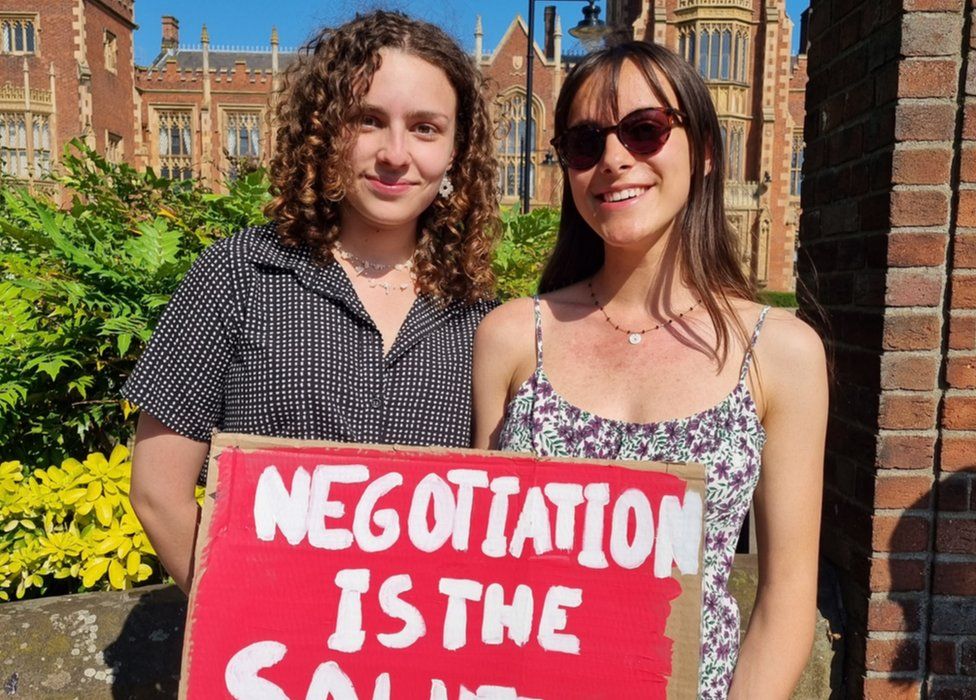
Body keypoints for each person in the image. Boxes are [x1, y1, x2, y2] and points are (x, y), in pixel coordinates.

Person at [473, 41, 827, 699]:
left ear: (708, 150)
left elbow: (786, 595)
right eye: (584, 142)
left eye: (645, 130)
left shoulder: (781, 352)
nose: (613, 159)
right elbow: (488, 568)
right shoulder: (514, 336)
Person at [125, 11, 500, 594]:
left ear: (456, 149)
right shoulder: (238, 273)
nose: (396, 153)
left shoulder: (481, 313)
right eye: (368, 120)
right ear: (326, 130)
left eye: (426, 128)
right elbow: (158, 490)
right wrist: (246, 617)